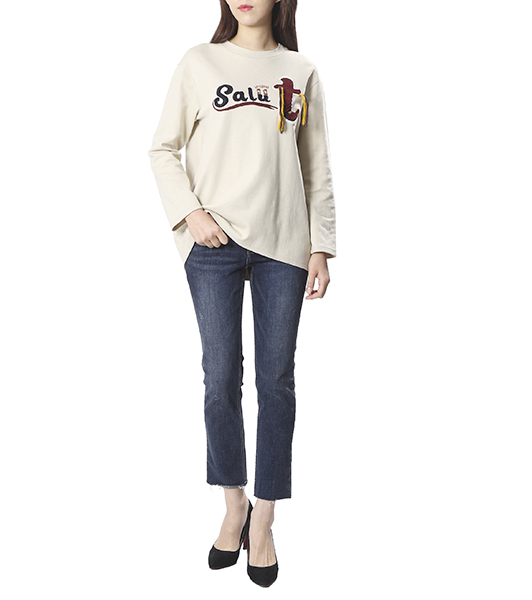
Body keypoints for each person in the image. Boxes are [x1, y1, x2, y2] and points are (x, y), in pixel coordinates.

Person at [148, 0, 336, 588]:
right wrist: (190, 213)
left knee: (276, 382)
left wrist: (321, 246)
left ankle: (265, 518)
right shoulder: (199, 63)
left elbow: (316, 167)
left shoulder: (299, 72)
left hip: (284, 244)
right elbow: (162, 149)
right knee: (220, 377)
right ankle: (234, 504)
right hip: (213, 243)